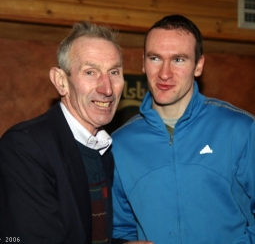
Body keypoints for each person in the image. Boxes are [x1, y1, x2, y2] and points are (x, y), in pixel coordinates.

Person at [111, 14, 255, 244]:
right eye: (155, 58)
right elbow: (119, 229)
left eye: (179, 59)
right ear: (143, 63)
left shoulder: (241, 129)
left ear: (198, 66)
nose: (164, 73)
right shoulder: (119, 144)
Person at [0, 21, 124, 244]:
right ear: (61, 82)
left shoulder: (101, 149)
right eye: (90, 72)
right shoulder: (25, 147)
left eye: (114, 72)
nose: (107, 88)